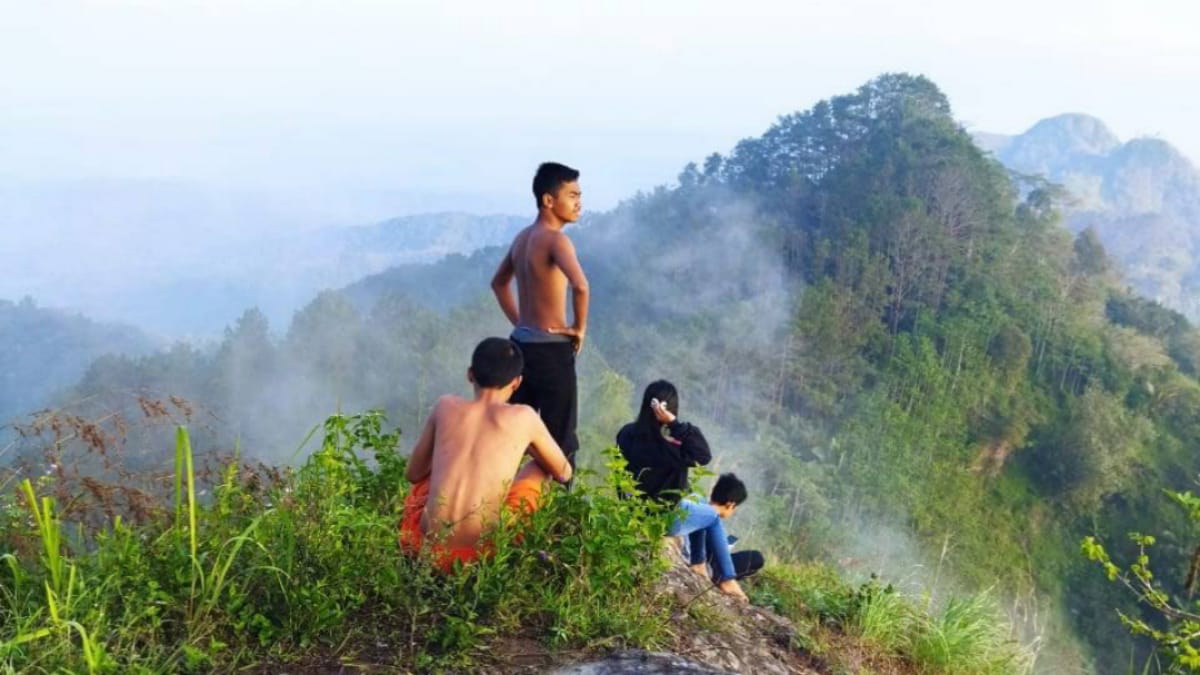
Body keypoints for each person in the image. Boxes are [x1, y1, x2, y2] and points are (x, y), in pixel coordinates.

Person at [400, 337, 573, 571]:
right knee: (539, 470)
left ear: (470, 374)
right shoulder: (524, 417)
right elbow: (564, 472)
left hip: (426, 548)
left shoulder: (445, 406)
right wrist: (527, 445)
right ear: (516, 382)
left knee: (427, 482)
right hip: (482, 554)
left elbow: (413, 474)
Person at [491, 162, 589, 476]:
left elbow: (499, 283)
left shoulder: (522, 238)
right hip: (551, 352)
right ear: (549, 200)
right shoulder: (557, 240)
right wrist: (578, 329)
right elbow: (581, 286)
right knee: (560, 439)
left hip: (519, 347)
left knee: (508, 432)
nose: (579, 203)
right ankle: (558, 515)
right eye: (572, 195)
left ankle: (493, 497)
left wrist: (521, 322)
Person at [616, 380, 747, 601]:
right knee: (713, 516)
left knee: (698, 501)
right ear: (668, 410)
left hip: (634, 512)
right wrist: (675, 423)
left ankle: (699, 564)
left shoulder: (626, 434)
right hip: (664, 518)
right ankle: (724, 577)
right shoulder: (673, 446)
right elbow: (704, 455)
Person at [687, 473, 764, 584]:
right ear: (730, 504)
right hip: (708, 566)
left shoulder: (697, 505)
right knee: (756, 558)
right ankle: (722, 580)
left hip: (704, 558)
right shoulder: (710, 517)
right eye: (735, 507)